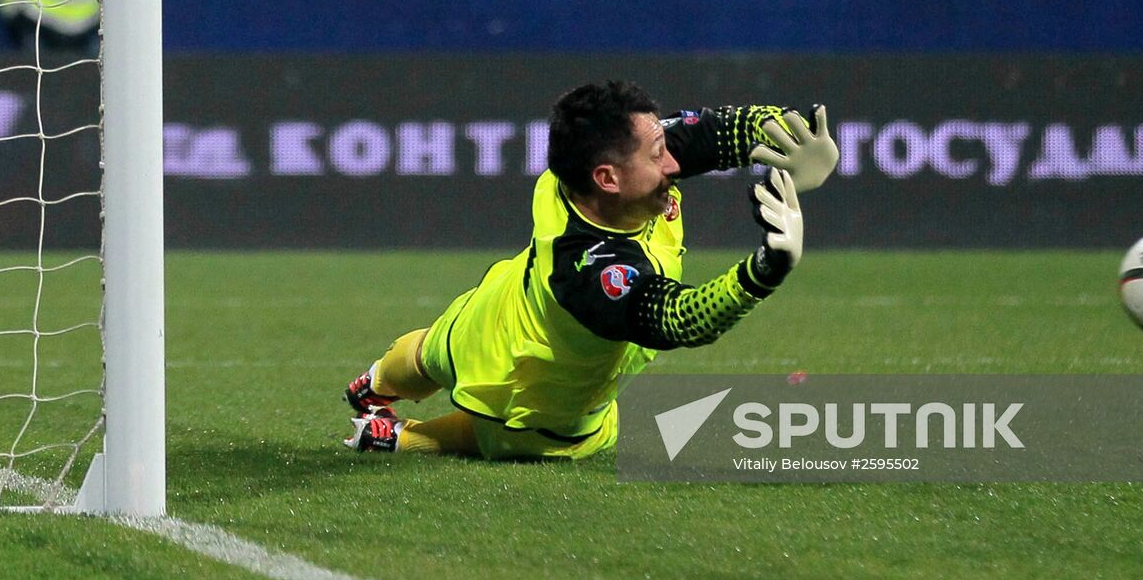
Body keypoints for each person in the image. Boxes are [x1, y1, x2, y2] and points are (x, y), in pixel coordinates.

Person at [340, 81, 839, 459]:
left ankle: (374, 384)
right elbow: (678, 319)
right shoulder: (591, 270)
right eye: (657, 153)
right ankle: (399, 437)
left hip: (496, 311)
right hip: (542, 390)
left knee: (432, 347)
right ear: (609, 178)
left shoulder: (584, 174)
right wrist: (763, 272)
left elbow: (721, 129)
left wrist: (795, 140)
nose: (672, 160)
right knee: (496, 434)